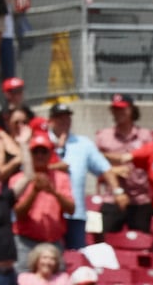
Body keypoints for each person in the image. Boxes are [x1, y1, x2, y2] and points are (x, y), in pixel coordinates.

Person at [42, 104, 125, 251]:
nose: (64, 121)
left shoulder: (83, 144)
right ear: (51, 120)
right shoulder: (41, 143)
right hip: (47, 212)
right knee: (48, 255)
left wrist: (118, 191)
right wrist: (54, 166)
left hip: (75, 213)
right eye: (60, 117)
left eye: (67, 117)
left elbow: (104, 168)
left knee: (76, 256)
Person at [93, 94, 153, 236]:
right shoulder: (104, 136)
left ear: (131, 110)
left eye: (122, 109)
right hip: (112, 197)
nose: (118, 113)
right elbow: (93, 163)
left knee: (141, 241)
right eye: (115, 109)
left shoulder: (145, 136)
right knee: (101, 238)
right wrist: (113, 169)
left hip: (140, 199)